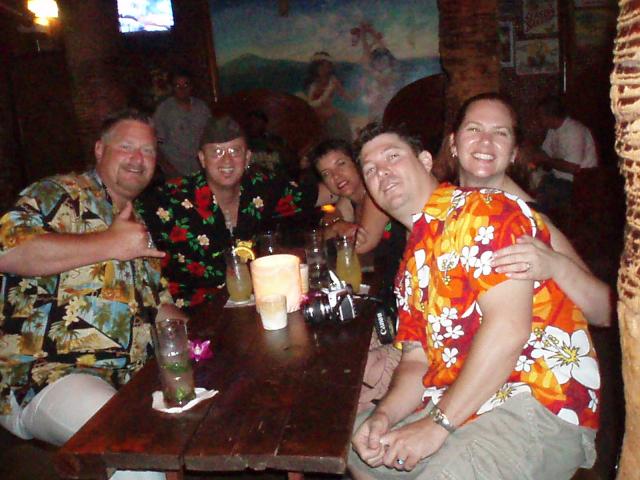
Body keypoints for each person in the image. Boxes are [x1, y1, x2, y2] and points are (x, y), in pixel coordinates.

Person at [349, 122, 600, 479]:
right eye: (371, 169)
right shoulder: (411, 265)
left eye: (392, 157)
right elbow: (417, 361)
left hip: (535, 400)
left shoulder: (484, 210)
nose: (382, 172)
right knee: (355, 443)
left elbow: (508, 329)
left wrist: (436, 425)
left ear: (425, 161)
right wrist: (383, 416)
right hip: (462, 402)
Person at [0, 109, 181, 480]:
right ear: (100, 149)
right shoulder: (58, 194)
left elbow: (159, 308)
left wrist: (211, 338)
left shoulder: (138, 225)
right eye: (127, 146)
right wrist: (109, 243)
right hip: (47, 375)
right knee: (132, 450)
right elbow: (7, 251)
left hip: (129, 382)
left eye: (148, 151)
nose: (138, 159)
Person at [440, 92, 611, 328]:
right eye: (474, 129)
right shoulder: (443, 204)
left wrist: (556, 266)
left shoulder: (529, 219)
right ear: (453, 143)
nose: (486, 141)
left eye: (501, 132)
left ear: (513, 153)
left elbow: (604, 311)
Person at [138, 115, 335, 309]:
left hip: (250, 306)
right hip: (192, 313)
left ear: (247, 157)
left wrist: (345, 200)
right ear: (202, 159)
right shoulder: (172, 199)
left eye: (235, 151)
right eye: (217, 152)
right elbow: (129, 216)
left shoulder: (260, 187)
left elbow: (322, 193)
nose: (227, 160)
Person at [308, 139, 405, 412]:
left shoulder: (375, 194)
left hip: (401, 299)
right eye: (327, 173)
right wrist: (337, 224)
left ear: (358, 164)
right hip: (381, 289)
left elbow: (362, 243)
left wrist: (336, 226)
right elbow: (328, 228)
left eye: (341, 164)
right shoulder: (352, 199)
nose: (337, 176)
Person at [535, 95, 599, 223]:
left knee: (544, 195)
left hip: (578, 182)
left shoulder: (574, 131)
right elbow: (545, 153)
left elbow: (572, 167)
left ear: (550, 116)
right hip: (559, 177)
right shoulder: (553, 130)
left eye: (540, 116)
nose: (538, 120)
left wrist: (546, 160)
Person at [153, 69, 212, 178]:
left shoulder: (202, 108)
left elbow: (210, 136)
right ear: (172, 88)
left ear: (191, 86)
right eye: (177, 85)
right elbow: (156, 143)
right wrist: (168, 168)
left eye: (186, 85)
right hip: (175, 169)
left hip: (200, 168)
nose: (182, 89)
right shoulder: (164, 110)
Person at [305, 51, 354, 142]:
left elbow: (346, 96)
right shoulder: (313, 83)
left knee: (341, 120)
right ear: (315, 68)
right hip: (315, 113)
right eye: (321, 66)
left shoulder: (333, 81)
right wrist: (323, 98)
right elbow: (310, 103)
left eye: (326, 66)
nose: (324, 69)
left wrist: (357, 92)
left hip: (330, 112)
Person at [245, 109, 298, 177]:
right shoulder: (243, 143)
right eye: (251, 122)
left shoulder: (276, 141)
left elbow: (292, 162)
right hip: (253, 179)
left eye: (257, 122)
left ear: (264, 124)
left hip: (278, 178)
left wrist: (279, 149)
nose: (253, 125)